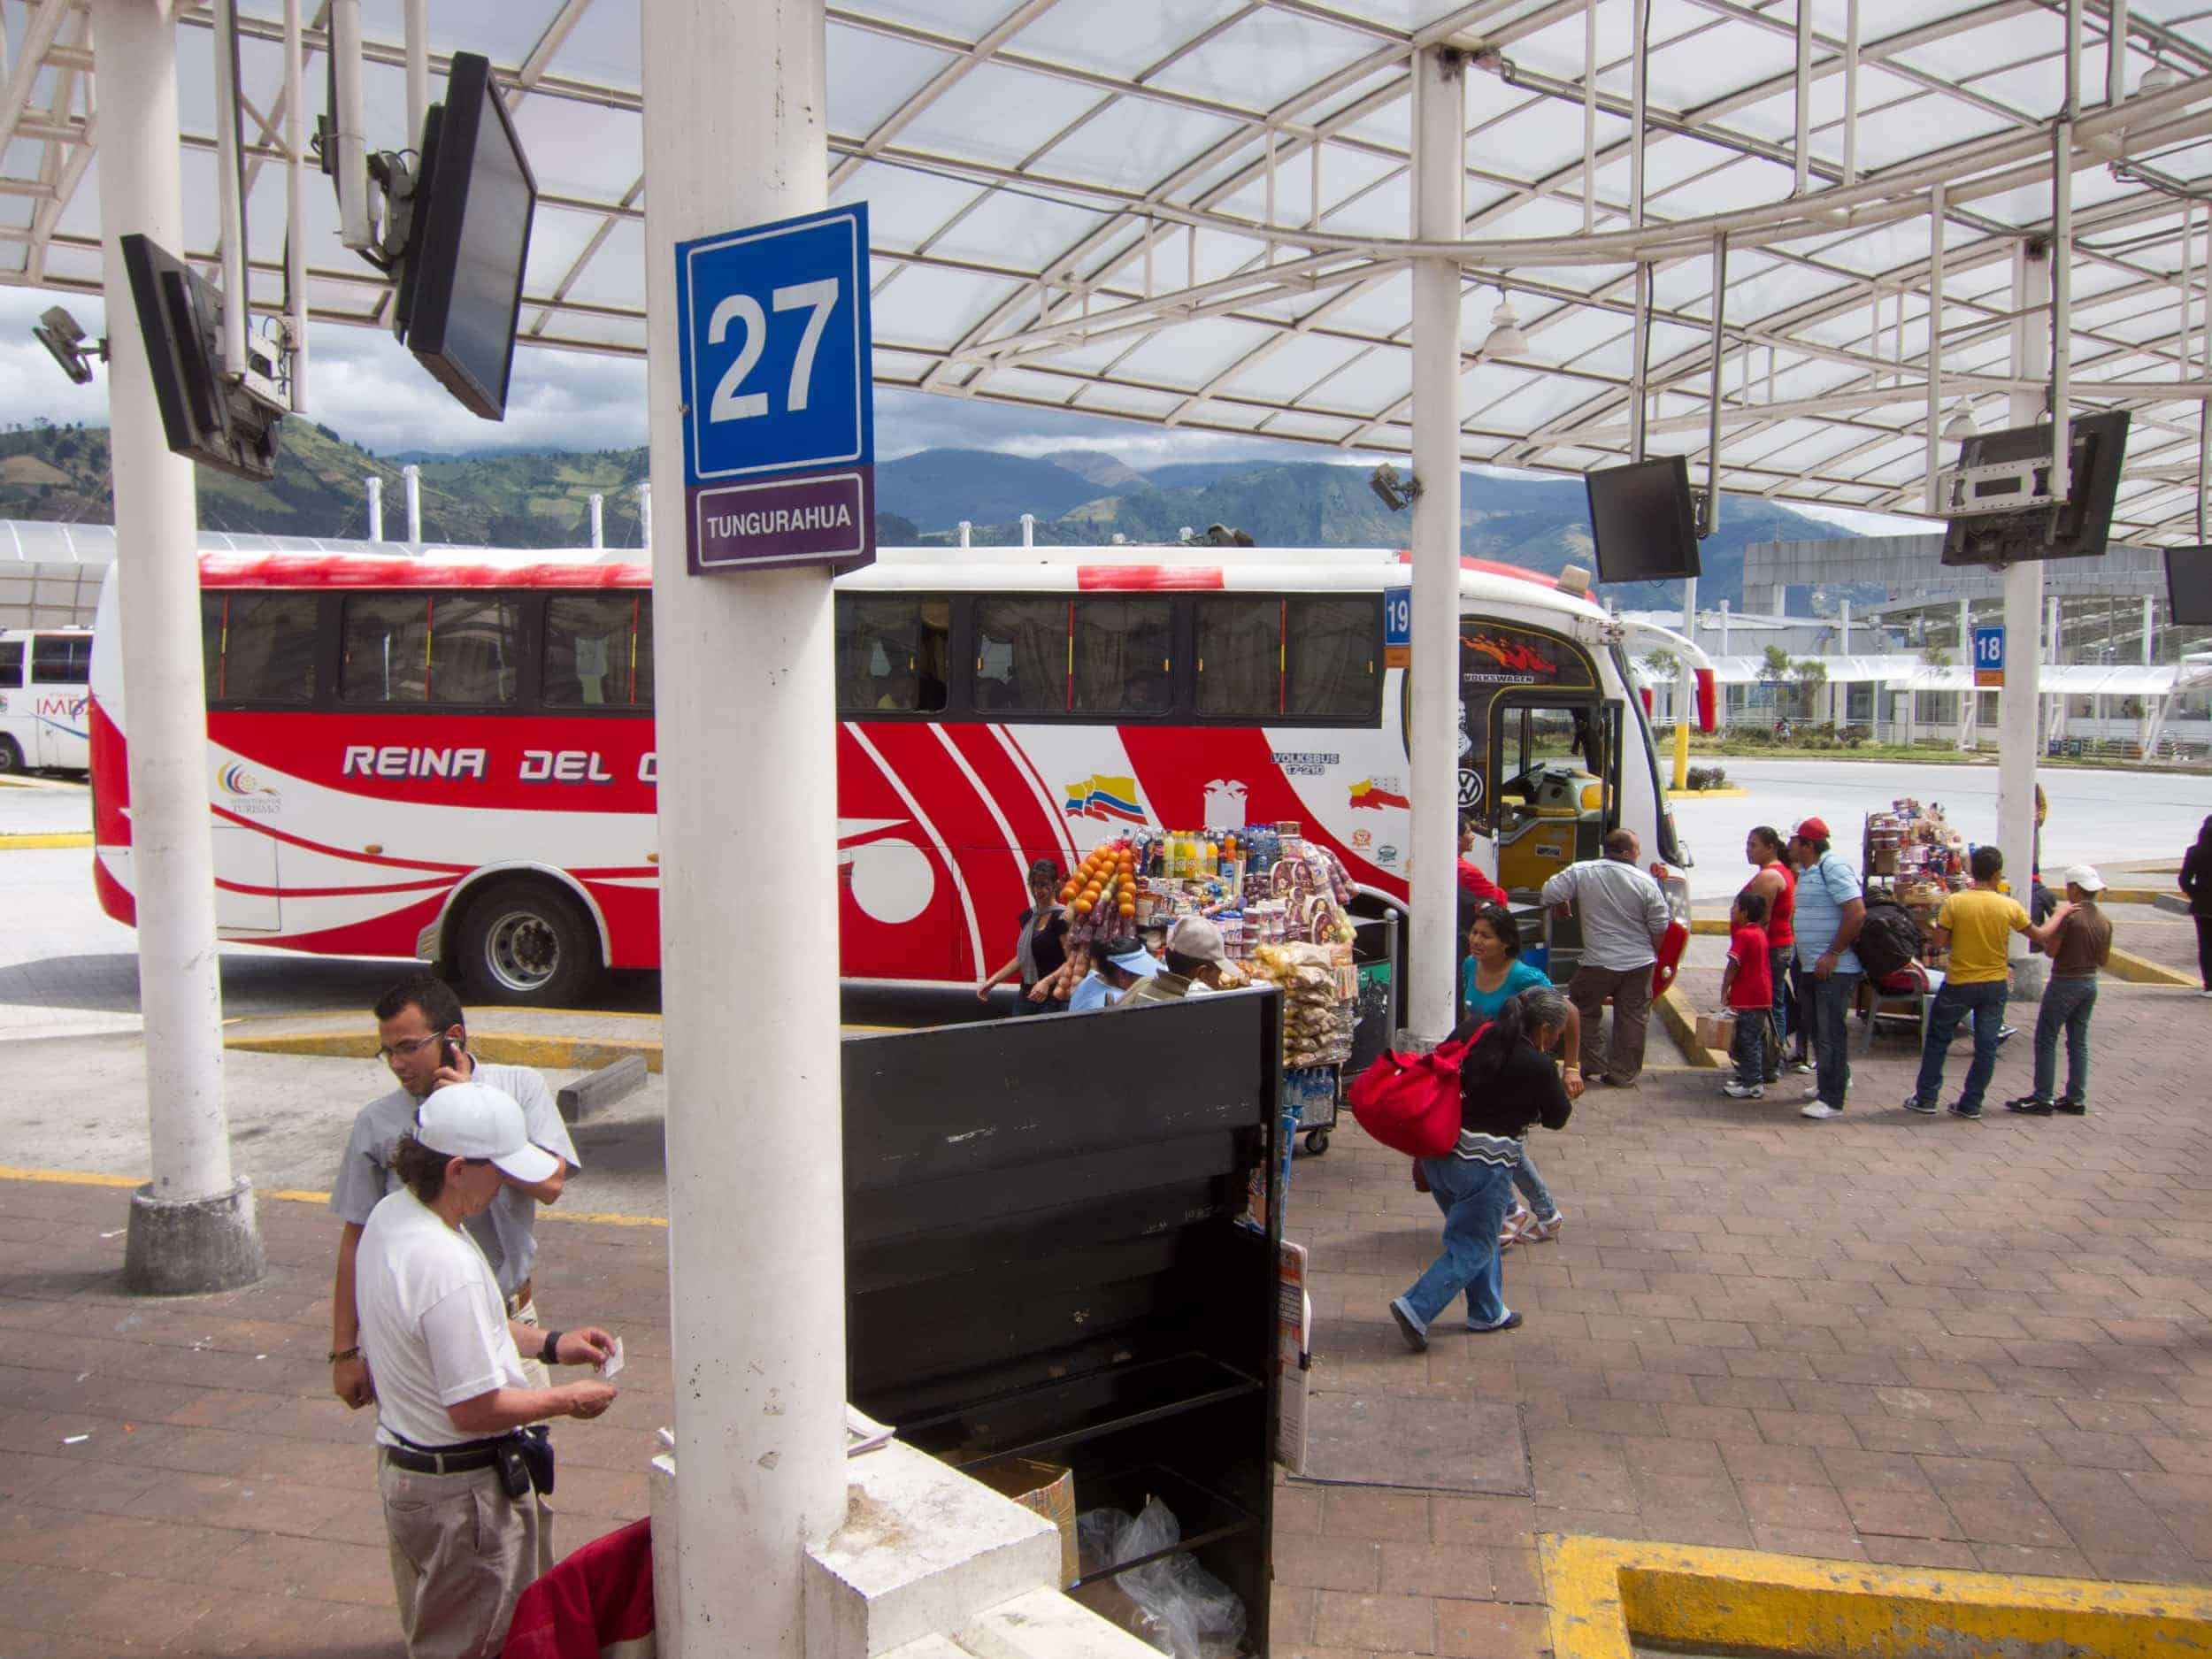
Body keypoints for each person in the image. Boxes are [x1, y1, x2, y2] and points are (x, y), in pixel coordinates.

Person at [356, 1081, 618, 1659]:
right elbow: (475, 1407)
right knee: (486, 1644)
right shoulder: (444, 1262)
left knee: (440, 1631)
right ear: (455, 1169)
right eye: (496, 1170)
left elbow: (472, 1330)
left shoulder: (391, 1217)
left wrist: (553, 1344)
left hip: (411, 1472)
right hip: (463, 1498)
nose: (503, 1183)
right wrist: (567, 1399)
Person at [332, 977, 579, 1409]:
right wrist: (345, 1351)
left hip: (511, 1314)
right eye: (387, 1052)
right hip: (428, 1321)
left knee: (527, 1445)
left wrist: (475, 1113)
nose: (396, 1064)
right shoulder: (375, 1125)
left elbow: (551, 1184)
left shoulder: (518, 1088)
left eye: (408, 1047)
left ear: (453, 1039)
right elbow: (355, 1237)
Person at [1387, 984, 1575, 1351]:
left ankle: (1488, 1311)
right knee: (1472, 1244)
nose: (1555, 1041)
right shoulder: (1537, 1065)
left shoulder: (1475, 1029)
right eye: (1557, 1035)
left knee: (1481, 1236)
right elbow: (1558, 1117)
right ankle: (1416, 1308)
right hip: (1483, 1167)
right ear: (1545, 1030)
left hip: (1439, 1155)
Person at [1904, 844, 2062, 1120]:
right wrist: (2060, 915)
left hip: (1960, 981)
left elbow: (1939, 943)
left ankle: (1927, 1097)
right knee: (1986, 1045)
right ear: (1997, 874)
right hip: (1994, 984)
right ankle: (1971, 1102)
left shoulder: (1956, 902)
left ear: (1972, 871)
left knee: (1938, 1039)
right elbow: (2039, 936)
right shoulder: (2008, 906)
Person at [1459, 902, 1583, 1245]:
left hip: (1516, 1073)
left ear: (1506, 943)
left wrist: (1571, 1067)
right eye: (1475, 933)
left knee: (1501, 1143)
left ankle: (1526, 1210)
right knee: (1498, 1144)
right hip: (1482, 1069)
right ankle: (1536, 1211)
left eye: (1487, 936)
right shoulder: (1470, 965)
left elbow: (1567, 1012)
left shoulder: (1524, 977)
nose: (1477, 941)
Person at [1542, 827, 1670, 1087]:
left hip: (1597, 961)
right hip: (1639, 962)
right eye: (1637, 850)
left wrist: (1562, 900)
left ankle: (1592, 1061)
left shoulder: (1582, 871)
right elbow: (1659, 926)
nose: (1639, 854)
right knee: (1632, 1017)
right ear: (1626, 852)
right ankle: (1623, 1074)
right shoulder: (1644, 882)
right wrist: (1654, 954)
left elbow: (1548, 892)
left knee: (1584, 1010)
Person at [2007, 864, 2114, 1116]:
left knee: (2047, 1037)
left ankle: (2042, 1096)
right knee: (2078, 1042)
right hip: (2089, 982)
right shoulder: (2104, 921)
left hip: (2065, 981)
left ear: (2075, 889)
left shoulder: (2071, 918)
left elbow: (2051, 951)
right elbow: (2104, 959)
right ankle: (2076, 1098)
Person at [1786, 818, 1865, 1120]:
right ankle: (1828, 1082)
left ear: (1807, 845)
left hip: (1834, 967)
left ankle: (1833, 1098)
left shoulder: (1832, 867)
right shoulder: (1807, 871)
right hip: (1809, 965)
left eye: (1794, 840)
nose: (1790, 845)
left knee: (1831, 1030)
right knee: (1818, 1028)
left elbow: (1856, 912)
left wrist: (1833, 953)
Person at [977, 858, 1070, 1015]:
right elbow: (1023, 957)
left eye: (1043, 885)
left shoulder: (1062, 918)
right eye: (1033, 884)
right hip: (1027, 995)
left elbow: (1072, 961)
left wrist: (1047, 982)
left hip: (1053, 998)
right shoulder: (1028, 917)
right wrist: (993, 981)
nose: (1037, 891)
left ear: (1054, 886)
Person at [1742, 826, 1797, 1081]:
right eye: (1748, 844)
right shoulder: (1773, 873)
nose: (1748, 850)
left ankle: (1771, 1061)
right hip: (1775, 947)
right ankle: (1770, 1060)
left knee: (1770, 1005)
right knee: (1774, 1002)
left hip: (1771, 949)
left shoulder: (1769, 877)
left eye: (1754, 845)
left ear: (1770, 847)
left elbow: (1760, 921)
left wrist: (1751, 954)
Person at [1718, 889, 1774, 1101]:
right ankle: (1750, 1078)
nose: (1732, 911)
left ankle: (1752, 1082)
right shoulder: (1760, 933)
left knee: (1746, 1040)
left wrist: (1725, 989)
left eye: (1735, 907)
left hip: (1748, 997)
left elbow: (1733, 965)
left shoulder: (1744, 935)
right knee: (1753, 1038)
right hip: (1760, 994)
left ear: (1745, 912)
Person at [1068, 936, 1160, 1011]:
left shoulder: (1091, 978)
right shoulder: (1119, 1002)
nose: (1143, 977)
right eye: (1141, 974)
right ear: (1123, 975)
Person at [2183, 815, 2212, 998]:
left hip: (2203, 907)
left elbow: (2184, 880)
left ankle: (2210, 984)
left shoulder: (2195, 851)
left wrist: (2197, 894)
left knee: (2206, 945)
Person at [1457, 813, 1509, 907]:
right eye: (1468, 832)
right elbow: (1500, 897)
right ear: (1457, 839)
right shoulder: (1467, 871)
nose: (1473, 836)